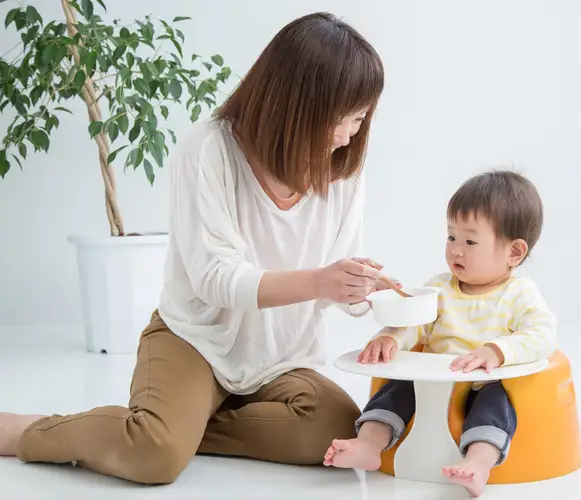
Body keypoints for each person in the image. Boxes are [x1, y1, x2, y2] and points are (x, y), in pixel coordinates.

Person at [0, 12, 389, 484]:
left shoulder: (343, 172)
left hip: (278, 361)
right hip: (195, 341)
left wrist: (362, 290)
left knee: (336, 430)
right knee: (155, 458)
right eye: (346, 117)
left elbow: (337, 281)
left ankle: (171, 426)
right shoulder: (210, 150)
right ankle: (29, 432)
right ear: (300, 105)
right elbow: (216, 278)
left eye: (361, 118)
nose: (351, 133)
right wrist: (319, 280)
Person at [324, 170, 558, 497]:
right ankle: (369, 445)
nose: (456, 250)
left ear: (514, 252)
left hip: (483, 382)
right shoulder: (439, 288)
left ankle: (477, 464)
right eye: (451, 237)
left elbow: (542, 335)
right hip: (430, 380)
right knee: (394, 390)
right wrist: (392, 337)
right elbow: (415, 324)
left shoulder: (520, 294)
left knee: (494, 407)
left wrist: (497, 350)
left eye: (470, 241)